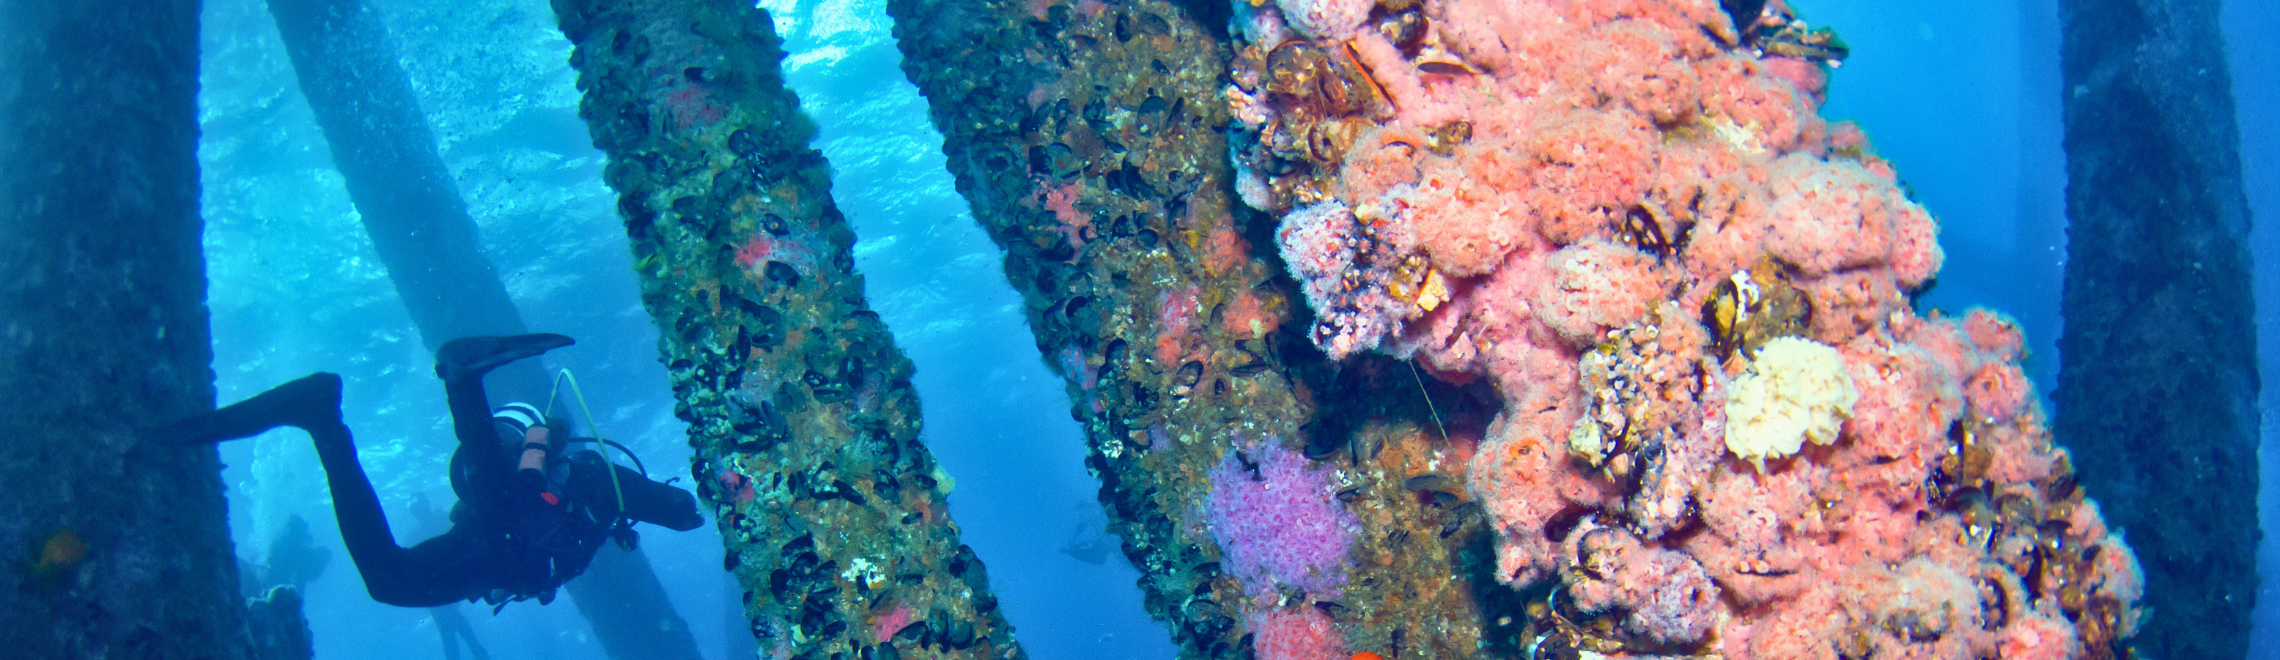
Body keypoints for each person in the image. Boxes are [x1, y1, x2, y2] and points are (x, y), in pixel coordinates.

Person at [152, 333, 703, 608]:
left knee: (389, 581)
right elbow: (681, 515)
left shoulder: (569, 474)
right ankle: (461, 378)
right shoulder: (590, 473)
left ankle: (321, 418)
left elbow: (487, 491)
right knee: (507, 507)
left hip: (487, 551)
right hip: (504, 539)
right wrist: (675, 507)